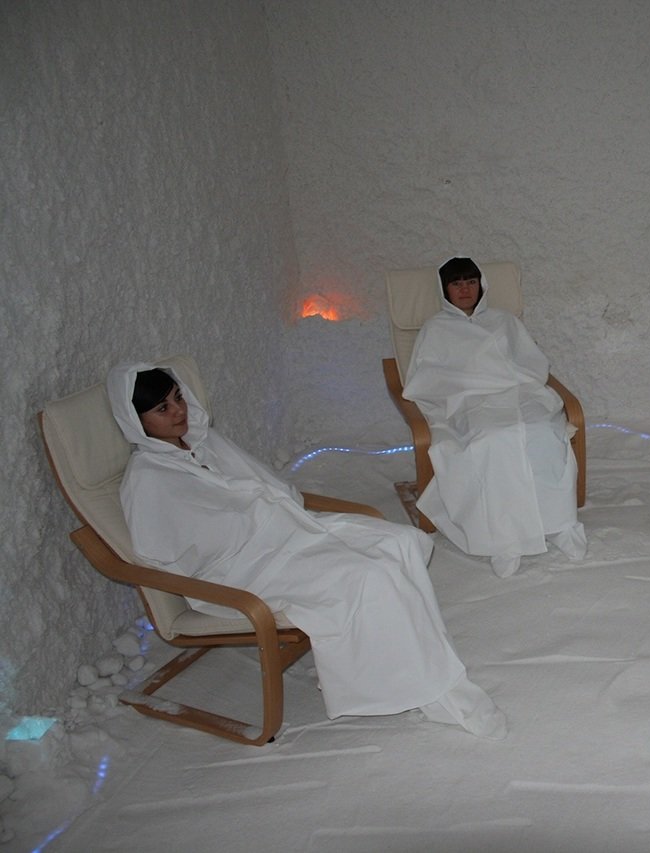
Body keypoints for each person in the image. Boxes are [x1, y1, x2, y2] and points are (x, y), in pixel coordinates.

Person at [108, 362, 506, 739]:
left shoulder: (204, 442)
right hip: (242, 569)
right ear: (136, 421)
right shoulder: (148, 478)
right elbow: (171, 550)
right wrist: (253, 516)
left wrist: (269, 510)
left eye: (178, 397)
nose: (178, 411)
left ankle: (419, 657)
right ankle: (421, 688)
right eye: (162, 408)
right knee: (367, 575)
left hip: (288, 533)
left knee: (399, 542)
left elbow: (266, 486)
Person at [401, 257, 586, 578]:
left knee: (542, 432)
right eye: (457, 283)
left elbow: (532, 363)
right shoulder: (436, 329)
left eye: (471, 282)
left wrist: (509, 380)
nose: (465, 289)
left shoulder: (505, 321)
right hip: (467, 402)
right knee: (495, 440)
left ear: (481, 285)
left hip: (518, 394)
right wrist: (469, 385)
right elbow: (427, 379)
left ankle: (559, 524)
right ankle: (505, 540)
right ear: (445, 289)